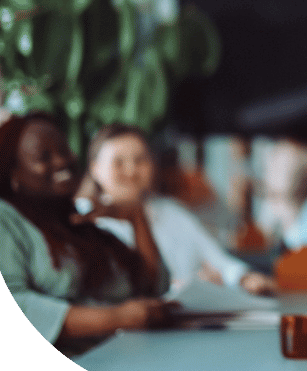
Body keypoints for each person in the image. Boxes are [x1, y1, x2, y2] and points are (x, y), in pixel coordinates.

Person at [0, 113, 174, 354]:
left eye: (65, 150)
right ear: (14, 174)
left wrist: (136, 217)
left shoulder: (75, 223)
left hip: (122, 357)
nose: (63, 161)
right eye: (44, 157)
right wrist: (117, 318)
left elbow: (152, 286)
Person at [81, 124, 277, 295]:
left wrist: (245, 278)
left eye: (140, 160)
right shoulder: (83, 220)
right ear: (95, 168)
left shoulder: (171, 211)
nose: (131, 170)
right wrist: (189, 286)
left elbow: (221, 262)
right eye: (119, 162)